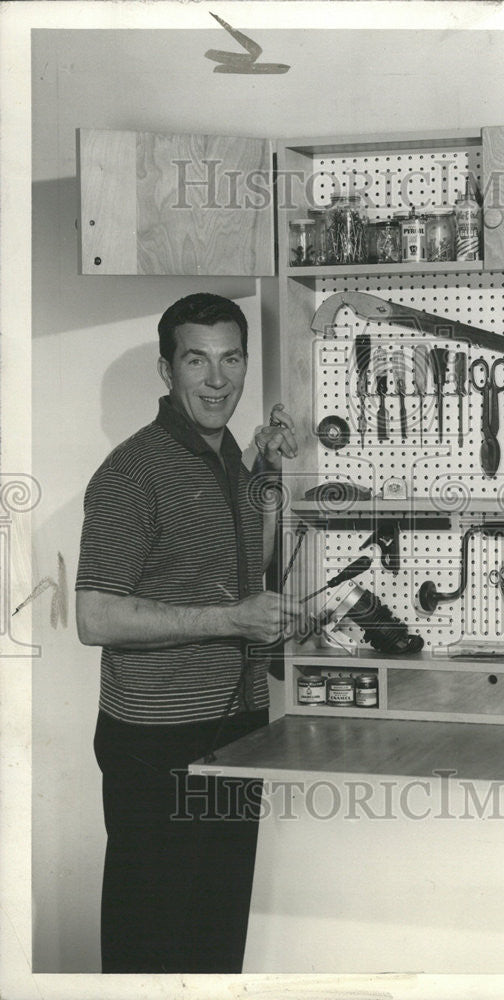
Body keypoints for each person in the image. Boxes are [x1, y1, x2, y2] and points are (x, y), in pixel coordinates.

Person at [76, 292, 298, 974]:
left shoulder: (226, 457)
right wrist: (232, 619)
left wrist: (263, 474)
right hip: (156, 745)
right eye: (196, 360)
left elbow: (240, 566)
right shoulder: (130, 473)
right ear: (167, 371)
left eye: (232, 359)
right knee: (152, 950)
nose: (218, 379)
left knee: (214, 943)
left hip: (235, 730)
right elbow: (94, 615)